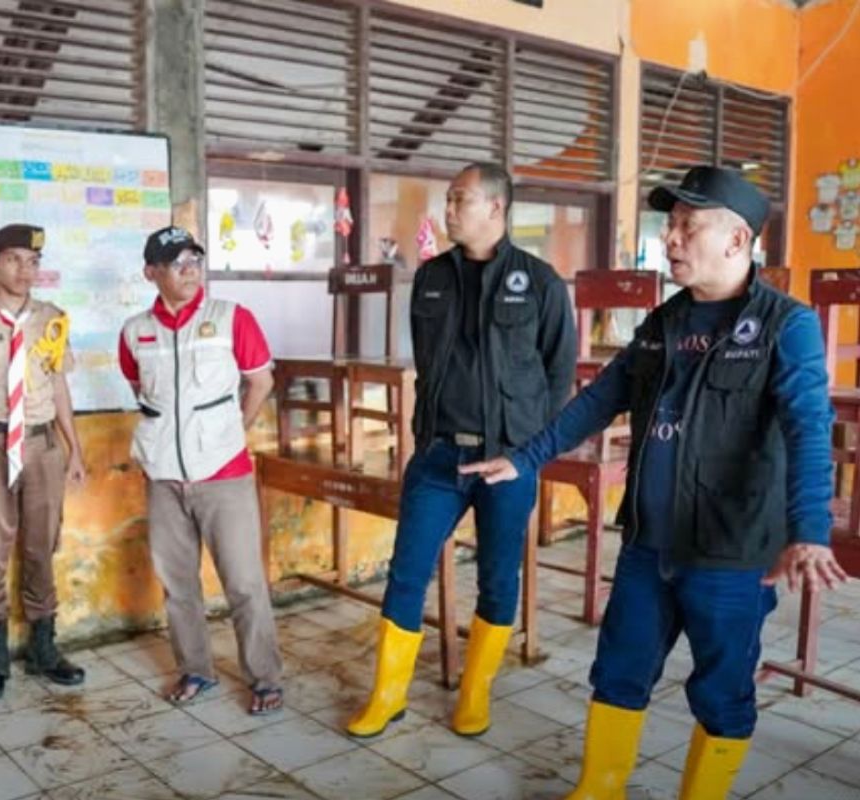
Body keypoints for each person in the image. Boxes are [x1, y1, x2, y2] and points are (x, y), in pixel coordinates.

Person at [460, 166, 847, 800]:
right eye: (668, 225)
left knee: (722, 690)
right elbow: (600, 399)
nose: (669, 239)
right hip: (648, 547)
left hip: (730, 554)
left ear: (737, 239)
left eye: (687, 226)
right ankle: (599, 786)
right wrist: (526, 457)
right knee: (618, 669)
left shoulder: (787, 325)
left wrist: (809, 530)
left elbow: (809, 427)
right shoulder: (665, 321)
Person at [348, 162, 577, 739]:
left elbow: (559, 376)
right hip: (439, 457)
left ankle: (475, 693)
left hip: (508, 462)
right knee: (406, 573)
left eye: (460, 200)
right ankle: (387, 695)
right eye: (448, 200)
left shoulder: (542, 282)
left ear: (495, 209)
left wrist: (528, 450)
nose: (448, 209)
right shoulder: (430, 278)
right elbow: (428, 366)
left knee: (498, 580)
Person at [118, 226, 284, 715]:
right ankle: (195, 670)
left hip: (225, 473)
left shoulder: (232, 318)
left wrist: (230, 432)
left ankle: (265, 678)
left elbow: (260, 383)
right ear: (152, 274)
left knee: (245, 584)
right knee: (179, 587)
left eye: (195, 259)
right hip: (163, 477)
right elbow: (142, 392)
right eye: (176, 262)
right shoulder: (134, 332)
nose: (190, 269)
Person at [0, 223, 87, 700]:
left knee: (41, 545)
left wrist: (75, 449)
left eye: (33, 262)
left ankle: (45, 650)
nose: (25, 271)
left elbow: (61, 386)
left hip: (43, 445)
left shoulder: (52, 319)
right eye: (14, 261)